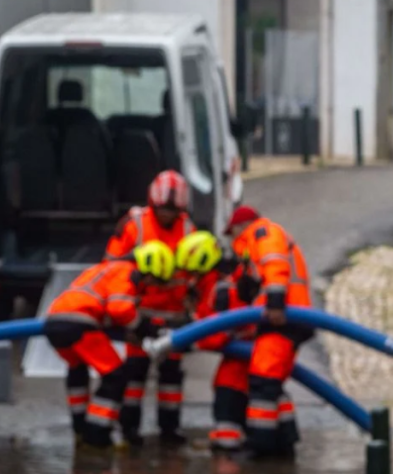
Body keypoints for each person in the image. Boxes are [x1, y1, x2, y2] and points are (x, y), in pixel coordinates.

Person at [44, 241, 175, 449]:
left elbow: (104, 308)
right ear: (149, 269)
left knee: (77, 371)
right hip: (81, 323)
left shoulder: (102, 268)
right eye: (153, 279)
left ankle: (80, 429)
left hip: (54, 322)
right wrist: (147, 328)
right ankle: (96, 434)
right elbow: (120, 309)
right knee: (116, 375)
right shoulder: (127, 272)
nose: (150, 285)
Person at [104, 170, 194, 446]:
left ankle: (170, 429)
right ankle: (129, 428)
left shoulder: (187, 228)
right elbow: (111, 267)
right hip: (139, 314)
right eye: (162, 209)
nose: (167, 215)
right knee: (135, 373)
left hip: (173, 315)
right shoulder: (134, 225)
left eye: (172, 211)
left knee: (171, 377)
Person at [224, 205, 312, 459]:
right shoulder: (257, 242)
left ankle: (260, 446)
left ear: (239, 228)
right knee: (273, 383)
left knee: (262, 380)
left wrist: (274, 301)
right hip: (287, 316)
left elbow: (275, 263)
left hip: (284, 316)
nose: (232, 240)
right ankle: (285, 442)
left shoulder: (262, 233)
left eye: (232, 234)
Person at [176, 231, 262, 452]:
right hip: (243, 354)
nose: (190, 278)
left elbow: (218, 333)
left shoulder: (222, 290)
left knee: (228, 392)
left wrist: (189, 343)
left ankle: (229, 447)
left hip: (246, 355)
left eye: (193, 272)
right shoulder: (212, 286)